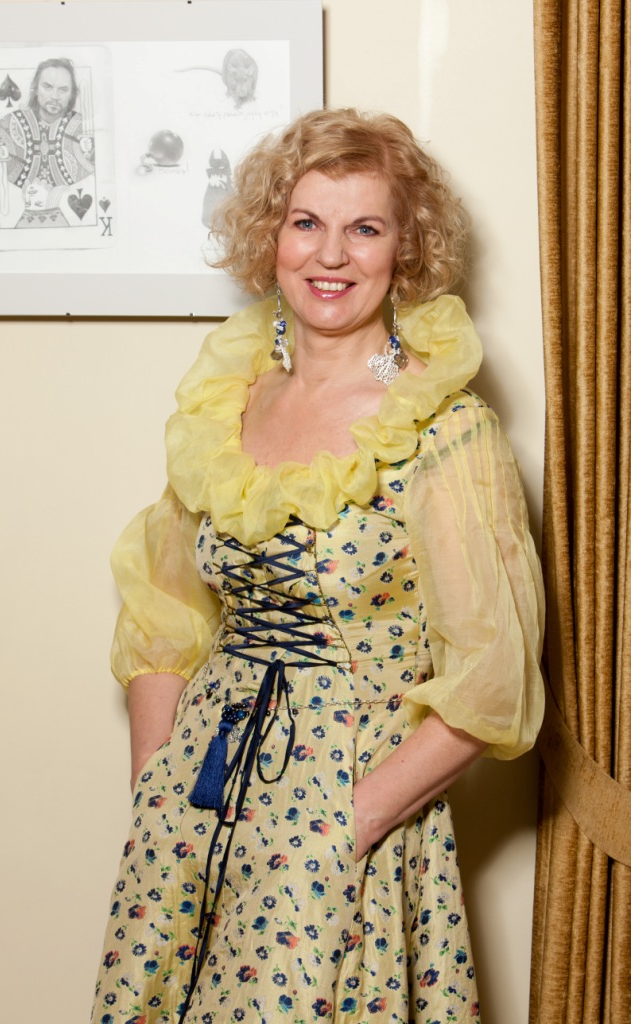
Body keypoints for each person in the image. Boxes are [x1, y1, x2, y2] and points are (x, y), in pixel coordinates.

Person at [90, 108, 545, 1024]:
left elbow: (490, 679)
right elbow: (164, 605)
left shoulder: (443, 427)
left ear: (403, 249)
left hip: (346, 803)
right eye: (306, 222)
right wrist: (156, 781)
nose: (330, 254)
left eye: (364, 227)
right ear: (271, 235)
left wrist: (348, 824)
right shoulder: (226, 401)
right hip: (199, 795)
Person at [0, 58, 94, 209]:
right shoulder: (7, 125)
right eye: (47, 87)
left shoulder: (85, 128)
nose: (55, 96)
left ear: (72, 94)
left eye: (63, 89)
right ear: (35, 89)